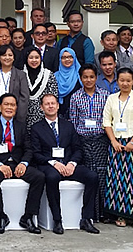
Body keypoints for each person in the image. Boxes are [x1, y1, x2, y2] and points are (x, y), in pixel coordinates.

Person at [29, 93, 100, 234]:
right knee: (52, 177)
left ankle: (86, 218)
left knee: (92, 176)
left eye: (53, 103)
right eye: (47, 104)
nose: (50, 106)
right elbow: (36, 154)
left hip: (69, 165)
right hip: (49, 166)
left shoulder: (68, 125)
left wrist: (72, 163)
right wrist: (54, 163)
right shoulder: (36, 128)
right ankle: (57, 220)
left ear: (58, 105)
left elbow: (78, 149)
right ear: (41, 107)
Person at [0, 93, 45, 234]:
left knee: (39, 177)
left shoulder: (21, 126)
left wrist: (23, 163)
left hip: (18, 164)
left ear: (16, 108)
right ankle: (0, 216)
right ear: (0, 107)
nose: (9, 107)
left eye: (12, 105)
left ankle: (28, 217)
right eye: (6, 104)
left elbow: (29, 149)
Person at [102, 68, 133, 229]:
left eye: (128, 80)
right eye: (122, 80)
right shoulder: (111, 98)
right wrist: (113, 141)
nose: (125, 83)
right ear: (117, 81)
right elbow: (107, 121)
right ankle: (120, 213)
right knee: (117, 179)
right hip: (116, 143)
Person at [68, 64, 109, 222]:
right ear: (80, 78)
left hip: (101, 140)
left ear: (96, 77)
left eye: (92, 77)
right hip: (83, 140)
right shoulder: (76, 97)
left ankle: (103, 213)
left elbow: (108, 119)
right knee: (89, 175)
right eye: (85, 77)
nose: (89, 80)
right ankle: (90, 213)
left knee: (102, 175)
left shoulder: (105, 95)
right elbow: (73, 120)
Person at [0, 45, 29, 123]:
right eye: (4, 55)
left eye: (10, 55)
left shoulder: (21, 75)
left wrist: (20, 117)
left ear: (14, 58)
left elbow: (24, 97)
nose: (7, 58)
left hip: (15, 116)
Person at [23, 47, 58, 130]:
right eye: (31, 58)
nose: (34, 60)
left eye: (37, 57)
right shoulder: (20, 75)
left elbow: (53, 95)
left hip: (44, 119)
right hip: (23, 118)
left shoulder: (49, 75)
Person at [52, 48, 82, 119]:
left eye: (70, 57)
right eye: (64, 57)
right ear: (60, 59)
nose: (67, 60)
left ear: (74, 58)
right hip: (59, 113)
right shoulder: (55, 76)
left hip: (77, 113)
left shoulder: (80, 75)